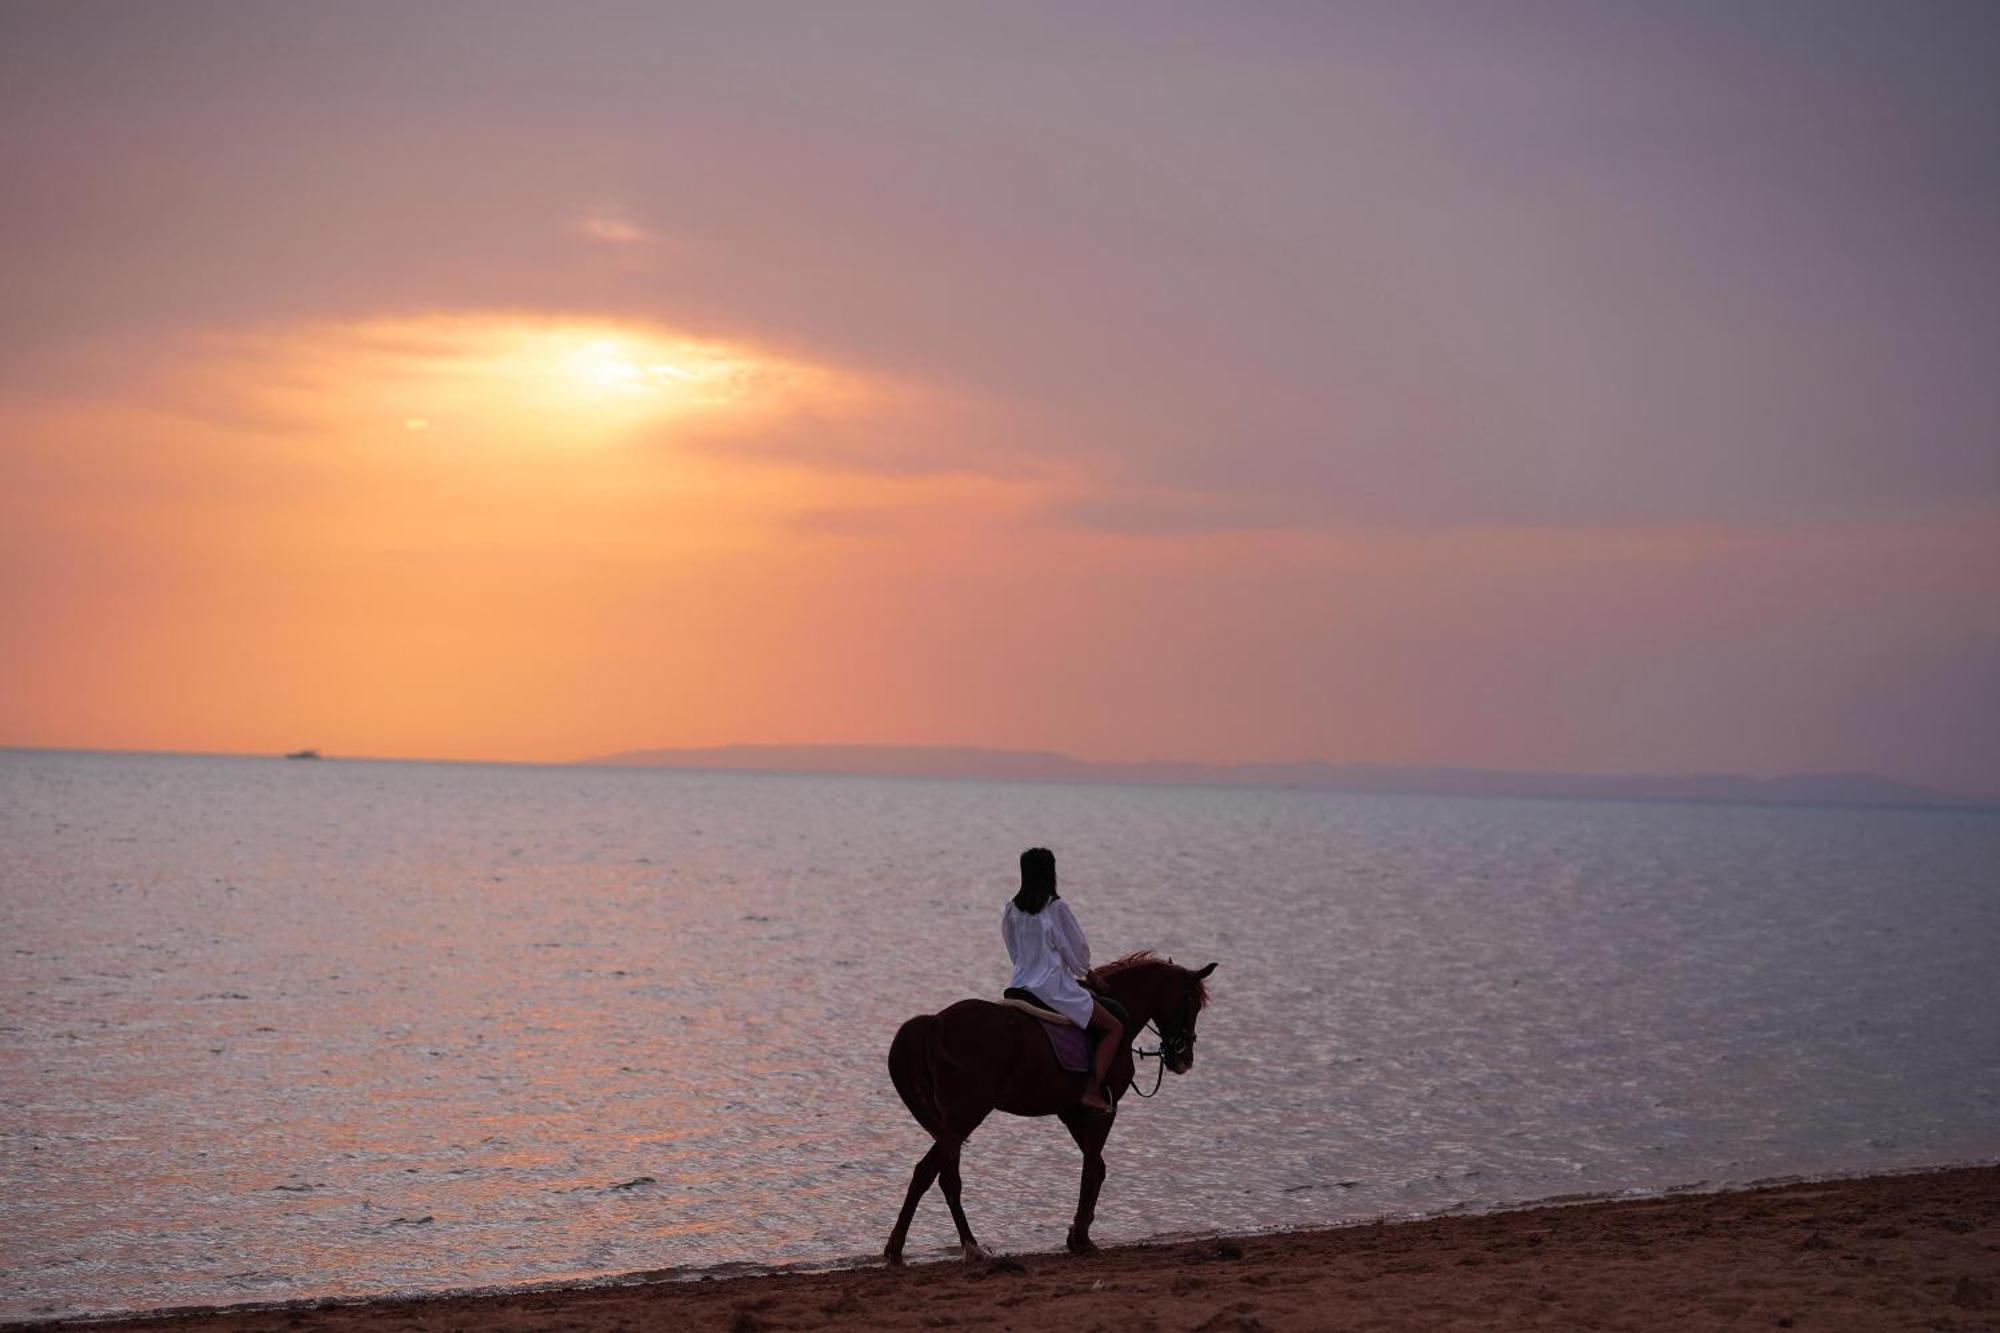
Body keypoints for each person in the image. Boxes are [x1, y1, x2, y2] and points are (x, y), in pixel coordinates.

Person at [1002, 847, 1123, 1113]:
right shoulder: (1056, 908)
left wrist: (1027, 970)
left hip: (1018, 985)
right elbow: (1075, 950)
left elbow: (1014, 951)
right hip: (1052, 988)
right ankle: (1091, 1090)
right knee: (1114, 1028)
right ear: (1050, 873)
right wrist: (1088, 973)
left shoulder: (1012, 909)